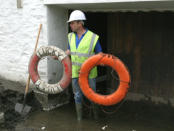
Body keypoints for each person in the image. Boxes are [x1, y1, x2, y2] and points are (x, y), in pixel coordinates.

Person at [66, 10, 102, 121]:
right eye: (70, 23)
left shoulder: (93, 37)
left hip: (89, 73)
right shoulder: (70, 36)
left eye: (72, 23)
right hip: (76, 72)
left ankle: (96, 118)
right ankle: (79, 119)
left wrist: (92, 60)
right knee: (77, 95)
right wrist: (60, 55)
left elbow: (100, 54)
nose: (70, 25)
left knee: (92, 95)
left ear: (80, 23)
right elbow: (69, 51)